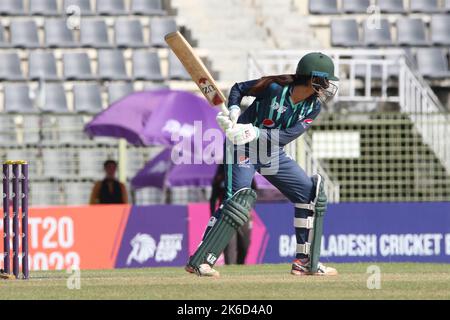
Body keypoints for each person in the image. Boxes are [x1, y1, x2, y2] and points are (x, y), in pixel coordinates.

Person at [185, 52, 339, 277]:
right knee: (237, 200)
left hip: (270, 152)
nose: (327, 86)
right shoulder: (275, 87)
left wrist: (254, 131)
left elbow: (286, 136)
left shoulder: (312, 107)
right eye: (324, 81)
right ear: (310, 78)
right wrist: (235, 111)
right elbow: (238, 88)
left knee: (309, 194)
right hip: (241, 149)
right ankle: (201, 260)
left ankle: (304, 262)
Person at [210, 164, 256, 265]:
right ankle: (230, 268)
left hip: (244, 213)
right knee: (229, 245)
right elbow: (213, 198)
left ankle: (241, 266)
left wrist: (250, 207)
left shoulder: (244, 171)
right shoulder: (220, 176)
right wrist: (213, 216)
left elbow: (254, 190)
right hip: (226, 215)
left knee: (245, 244)